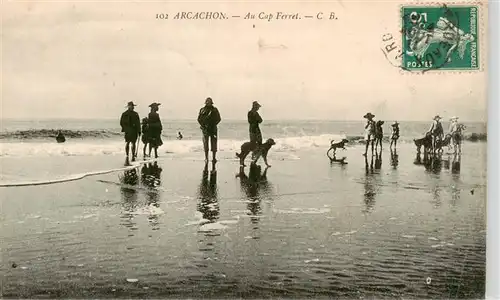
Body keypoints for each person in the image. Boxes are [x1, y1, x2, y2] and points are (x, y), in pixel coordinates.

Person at [197, 97, 222, 162]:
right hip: (205, 129)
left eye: (209, 102)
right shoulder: (202, 110)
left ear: (211, 103)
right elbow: (199, 119)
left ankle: (214, 158)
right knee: (205, 144)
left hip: (213, 128)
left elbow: (219, 119)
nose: (208, 103)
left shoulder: (215, 110)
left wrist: (214, 124)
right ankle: (206, 158)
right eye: (207, 102)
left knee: (214, 143)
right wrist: (203, 125)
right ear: (206, 102)